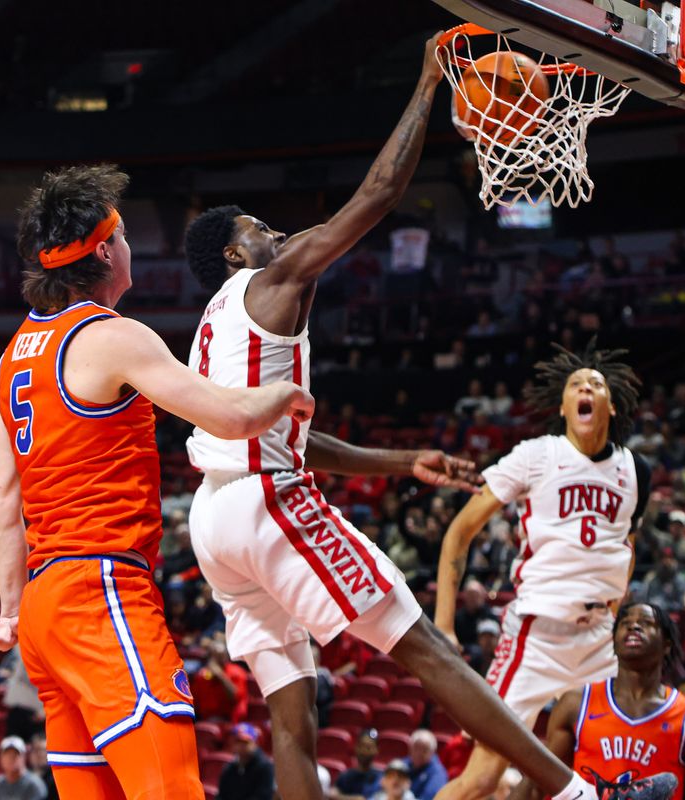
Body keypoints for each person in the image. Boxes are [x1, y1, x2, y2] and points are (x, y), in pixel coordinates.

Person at [181, 36, 598, 800]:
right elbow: (375, 197)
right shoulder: (271, 280)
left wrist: (400, 462)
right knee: (426, 646)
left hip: (214, 521)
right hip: (265, 501)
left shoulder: (213, 325)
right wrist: (428, 82)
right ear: (236, 254)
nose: (271, 231)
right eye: (256, 227)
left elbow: (293, 439)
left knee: (291, 718)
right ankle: (575, 793)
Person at [0, 164, 313, 800]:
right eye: (122, 237)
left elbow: (2, 499)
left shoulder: (12, 353)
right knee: (171, 787)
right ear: (104, 251)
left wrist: (11, 612)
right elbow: (229, 416)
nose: (130, 248)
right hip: (101, 591)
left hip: (42, 609)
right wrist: (285, 392)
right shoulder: (112, 336)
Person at [435, 342, 650, 800]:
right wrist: (444, 624)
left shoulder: (636, 470)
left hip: (598, 640)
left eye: (596, 384)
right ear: (564, 405)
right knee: (481, 779)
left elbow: (627, 543)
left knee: (612, 769)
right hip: (536, 635)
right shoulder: (536, 455)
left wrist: (614, 601)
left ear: (610, 404)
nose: (586, 388)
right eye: (576, 385)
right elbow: (460, 531)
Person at [511, 602, 685, 800]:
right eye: (625, 624)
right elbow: (536, 784)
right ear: (613, 642)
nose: (634, 627)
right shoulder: (576, 704)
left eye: (646, 623)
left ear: (666, 644)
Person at [190, 638, 249, 723]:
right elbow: (195, 703)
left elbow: (236, 698)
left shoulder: (237, 672)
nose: (218, 661)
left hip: (231, 720)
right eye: (215, 657)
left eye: (221, 657)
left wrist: (220, 675)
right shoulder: (201, 675)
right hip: (206, 720)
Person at [217, 723, 275, 800]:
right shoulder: (229, 768)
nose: (241, 746)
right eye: (238, 742)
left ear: (255, 743)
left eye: (245, 742)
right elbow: (221, 795)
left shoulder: (265, 767)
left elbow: (263, 796)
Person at [0, 736, 47, 800]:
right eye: (7, 754)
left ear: (24, 757)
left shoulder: (35, 784)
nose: (11, 758)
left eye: (15, 754)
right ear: (0, 758)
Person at [332, 729, 382, 800]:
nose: (364, 751)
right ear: (356, 747)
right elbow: (332, 795)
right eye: (361, 746)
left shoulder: (382, 778)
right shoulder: (345, 776)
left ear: (376, 750)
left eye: (368, 748)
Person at [408, 729, 448, 800]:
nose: (419, 753)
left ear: (432, 752)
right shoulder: (404, 763)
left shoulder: (438, 774)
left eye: (424, 750)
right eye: (416, 747)